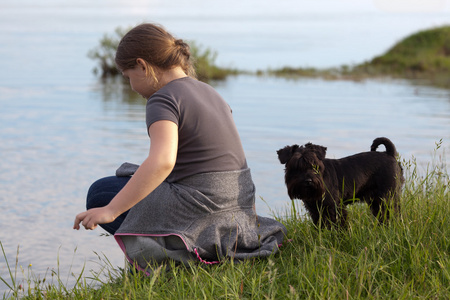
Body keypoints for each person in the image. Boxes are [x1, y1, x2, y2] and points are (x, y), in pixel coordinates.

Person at [73, 23, 287, 273]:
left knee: (100, 193)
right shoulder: (210, 92)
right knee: (130, 181)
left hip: (204, 208)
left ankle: (170, 257)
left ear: (142, 66)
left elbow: (163, 161)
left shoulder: (162, 98)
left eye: (129, 77)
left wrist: (111, 210)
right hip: (236, 210)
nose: (131, 87)